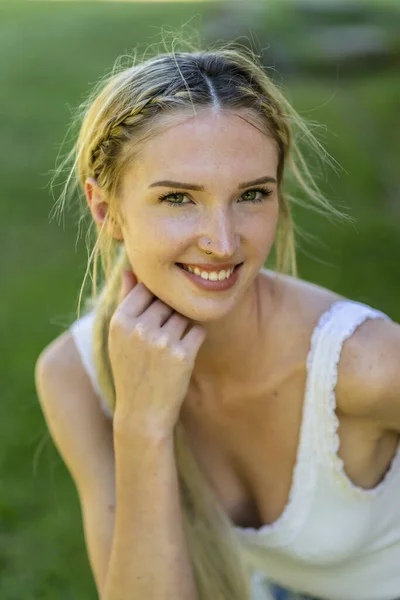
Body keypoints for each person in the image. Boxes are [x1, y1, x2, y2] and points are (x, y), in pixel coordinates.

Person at [34, 40, 400, 600]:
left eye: (251, 194)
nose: (224, 242)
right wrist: (142, 427)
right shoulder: (74, 375)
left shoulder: (367, 364)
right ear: (106, 210)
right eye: (179, 198)